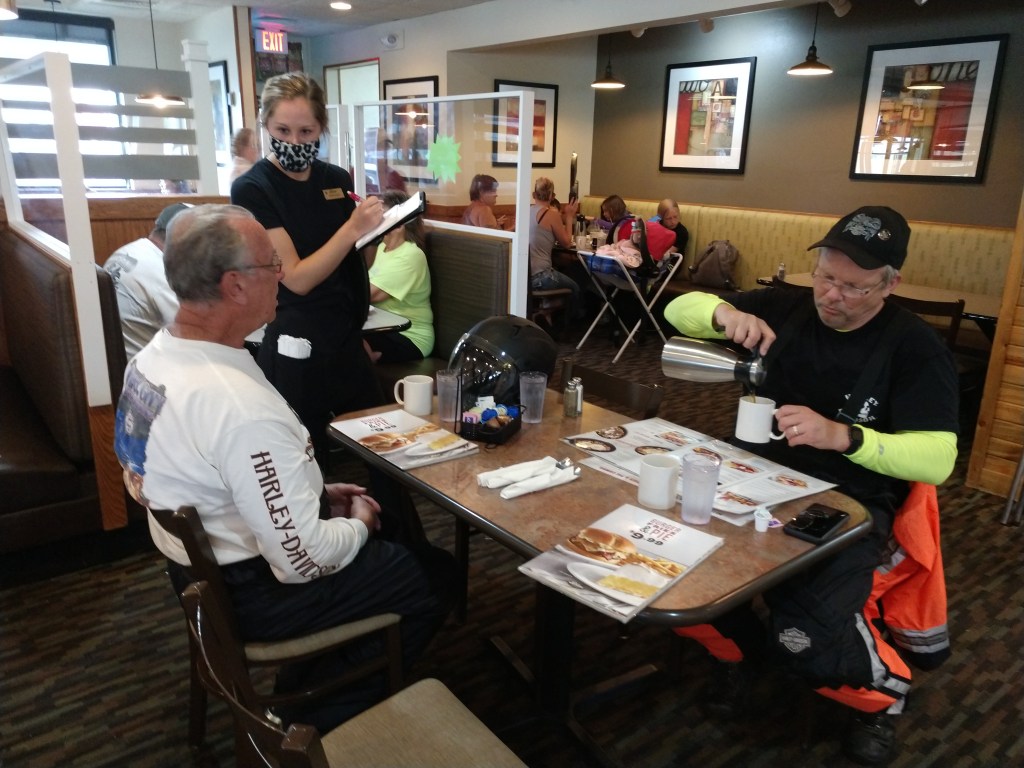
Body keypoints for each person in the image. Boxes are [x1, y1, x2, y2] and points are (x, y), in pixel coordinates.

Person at [113, 204, 456, 731]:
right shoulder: (236, 406)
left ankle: (313, 674)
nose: (282, 275)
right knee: (431, 575)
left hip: (193, 572)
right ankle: (308, 720)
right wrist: (359, 524)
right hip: (251, 593)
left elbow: (217, 475)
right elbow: (302, 559)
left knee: (390, 546)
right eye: (270, 264)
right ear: (234, 285)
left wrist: (314, 494)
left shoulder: (153, 358)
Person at [663, 206, 959, 766]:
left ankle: (882, 698)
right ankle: (741, 654)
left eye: (853, 287)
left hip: (846, 503)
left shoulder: (914, 346)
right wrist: (725, 313)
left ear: (889, 284)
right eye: (825, 277)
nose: (832, 295)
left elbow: (939, 458)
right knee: (669, 573)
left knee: (807, 637)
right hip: (750, 481)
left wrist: (845, 437)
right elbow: (675, 310)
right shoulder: (786, 307)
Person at [230, 71, 385, 463]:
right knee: (307, 460)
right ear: (266, 125)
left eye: (306, 131)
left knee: (383, 449)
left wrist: (373, 234)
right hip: (295, 340)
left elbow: (355, 261)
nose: (295, 142)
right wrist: (353, 229)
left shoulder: (336, 179)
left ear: (321, 128)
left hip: (345, 332)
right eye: (283, 130)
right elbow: (297, 278)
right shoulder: (253, 188)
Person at [103, 203, 189, 358]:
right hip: (146, 367)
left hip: (122, 358)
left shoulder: (128, 251)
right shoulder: (164, 274)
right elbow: (198, 332)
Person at [364, 190, 434, 364]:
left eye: (382, 216)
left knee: (343, 341)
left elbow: (370, 295)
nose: (376, 221)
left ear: (398, 224)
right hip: (380, 327)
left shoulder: (411, 255)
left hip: (409, 337)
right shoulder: (380, 248)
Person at [528, 176, 582, 319]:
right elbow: (567, 243)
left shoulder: (527, 211)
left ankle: (545, 311)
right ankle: (568, 325)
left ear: (534, 194)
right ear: (552, 196)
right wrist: (569, 216)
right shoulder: (551, 214)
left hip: (525, 276)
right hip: (542, 276)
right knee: (575, 287)